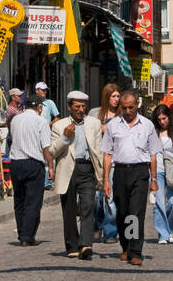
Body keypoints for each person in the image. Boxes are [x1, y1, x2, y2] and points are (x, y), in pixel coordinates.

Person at [101, 90, 158, 267]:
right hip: (120, 172)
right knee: (123, 213)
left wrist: (154, 179)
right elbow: (107, 154)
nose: (127, 111)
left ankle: (136, 251)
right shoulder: (113, 126)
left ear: (137, 105)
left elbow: (153, 155)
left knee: (135, 213)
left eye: (131, 107)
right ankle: (125, 246)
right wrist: (105, 180)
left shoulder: (147, 125)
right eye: (124, 108)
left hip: (140, 172)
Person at [49, 91, 103, 260]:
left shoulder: (94, 123)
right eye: (77, 106)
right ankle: (72, 245)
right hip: (68, 170)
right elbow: (52, 151)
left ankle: (86, 244)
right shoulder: (59, 126)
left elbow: (99, 150)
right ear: (69, 107)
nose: (80, 110)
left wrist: (102, 174)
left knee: (88, 205)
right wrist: (65, 137)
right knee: (69, 209)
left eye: (83, 106)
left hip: (87, 168)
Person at [8, 95, 54, 246]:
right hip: (33, 163)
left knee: (19, 200)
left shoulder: (15, 120)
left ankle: (22, 233)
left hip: (15, 163)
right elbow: (46, 147)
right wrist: (51, 167)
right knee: (33, 201)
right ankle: (27, 236)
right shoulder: (41, 122)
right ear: (39, 107)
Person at [89, 83, 122, 242]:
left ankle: (110, 231)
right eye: (113, 96)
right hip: (96, 161)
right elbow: (87, 131)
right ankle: (97, 225)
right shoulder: (95, 113)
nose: (116, 99)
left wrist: (107, 130)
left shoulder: (121, 115)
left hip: (114, 161)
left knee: (110, 198)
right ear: (106, 97)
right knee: (95, 198)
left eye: (118, 96)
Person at [151, 105, 173, 244]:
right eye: (159, 119)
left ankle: (169, 229)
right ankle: (163, 234)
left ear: (169, 117)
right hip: (158, 170)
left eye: (164, 118)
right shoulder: (153, 132)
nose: (162, 122)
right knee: (158, 203)